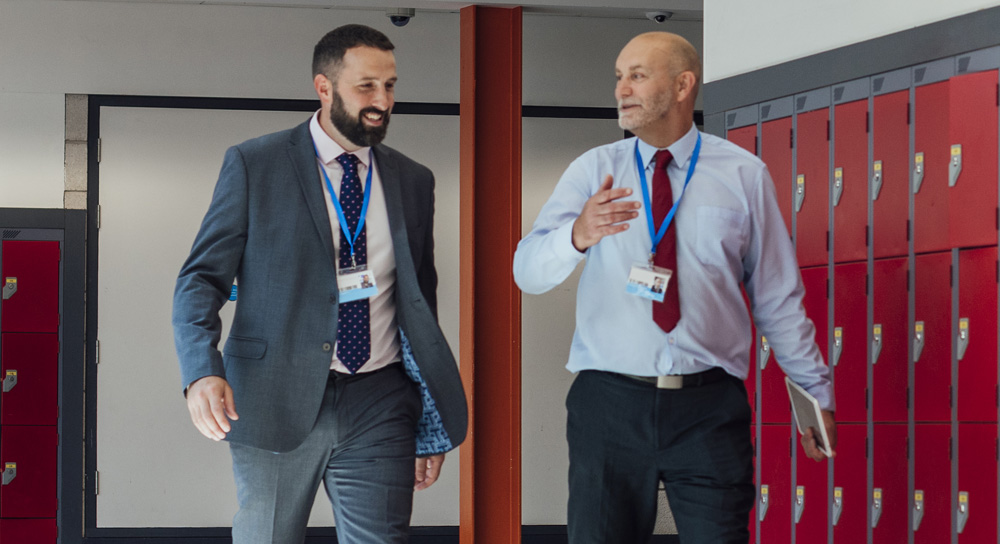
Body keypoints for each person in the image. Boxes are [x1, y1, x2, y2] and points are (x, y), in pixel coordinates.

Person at [512, 32, 835, 544]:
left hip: (709, 407)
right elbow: (526, 271)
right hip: (609, 403)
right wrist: (577, 236)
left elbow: (777, 296)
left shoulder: (743, 174)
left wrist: (814, 394)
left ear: (684, 85)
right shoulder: (595, 171)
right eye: (619, 77)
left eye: (637, 75)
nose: (622, 89)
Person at [172, 24, 467, 544]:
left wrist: (428, 418)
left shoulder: (413, 180)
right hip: (273, 395)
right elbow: (200, 278)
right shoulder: (255, 164)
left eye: (391, 86)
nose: (382, 101)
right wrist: (200, 370)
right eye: (366, 86)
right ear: (324, 87)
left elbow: (420, 302)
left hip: (381, 397)